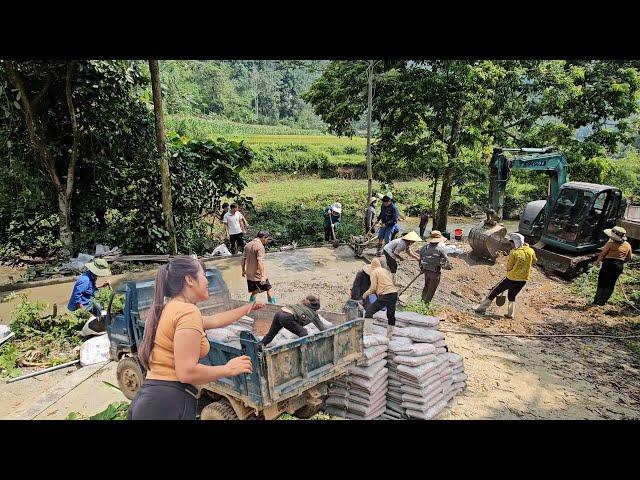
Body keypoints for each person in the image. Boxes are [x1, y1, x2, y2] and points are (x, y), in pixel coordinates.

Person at [128, 256, 264, 420]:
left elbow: (215, 320)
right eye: (203, 275)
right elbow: (186, 372)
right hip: (167, 404)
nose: (207, 281)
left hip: (153, 400)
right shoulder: (187, 312)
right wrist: (228, 369)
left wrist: (247, 308)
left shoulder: (171, 308)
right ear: (189, 279)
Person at [474, 232, 536, 319]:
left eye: (511, 243)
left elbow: (509, 266)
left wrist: (511, 271)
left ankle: (481, 308)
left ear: (515, 242)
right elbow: (534, 261)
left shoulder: (514, 252)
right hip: (523, 279)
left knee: (494, 291)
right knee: (512, 295)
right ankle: (511, 314)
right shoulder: (531, 251)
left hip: (511, 278)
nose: (511, 245)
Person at [259, 294, 325, 347]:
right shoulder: (313, 313)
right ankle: (304, 351)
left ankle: (260, 345)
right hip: (286, 317)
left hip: (279, 313)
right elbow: (322, 328)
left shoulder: (301, 305)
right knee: (303, 332)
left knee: (271, 334)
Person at [67, 259, 112, 335]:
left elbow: (91, 287)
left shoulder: (91, 276)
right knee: (83, 328)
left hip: (88, 302)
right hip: (80, 307)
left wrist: (102, 286)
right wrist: (84, 313)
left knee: (100, 313)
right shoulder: (85, 280)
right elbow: (77, 297)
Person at [592, 226, 633, 306]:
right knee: (610, 284)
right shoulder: (628, 245)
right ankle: (602, 302)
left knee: (602, 282)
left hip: (608, 264)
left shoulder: (610, 244)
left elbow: (602, 254)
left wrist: (596, 262)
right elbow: (629, 258)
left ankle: (596, 301)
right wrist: (620, 262)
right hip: (618, 266)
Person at [362, 258, 399, 338]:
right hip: (394, 293)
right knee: (390, 315)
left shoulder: (374, 272)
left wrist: (365, 294)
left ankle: (367, 334)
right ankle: (389, 336)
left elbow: (373, 288)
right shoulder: (385, 271)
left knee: (369, 311)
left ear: (372, 267)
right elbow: (391, 282)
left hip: (386, 294)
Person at [242, 230, 277, 304]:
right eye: (267, 239)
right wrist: (263, 276)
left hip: (249, 274)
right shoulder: (260, 246)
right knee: (269, 289)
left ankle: (250, 305)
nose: (267, 241)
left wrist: (243, 271)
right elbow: (260, 261)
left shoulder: (247, 245)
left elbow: (242, 259)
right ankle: (273, 306)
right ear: (264, 237)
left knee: (255, 290)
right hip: (257, 274)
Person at [418, 230, 452, 303]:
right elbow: (444, 263)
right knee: (432, 289)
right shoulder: (440, 249)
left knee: (426, 286)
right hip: (435, 273)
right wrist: (449, 267)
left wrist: (421, 268)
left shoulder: (423, 248)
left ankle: (422, 300)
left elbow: (420, 260)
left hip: (426, 271)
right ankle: (426, 304)